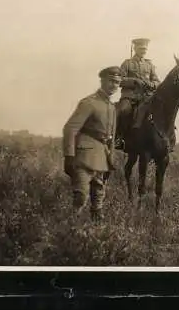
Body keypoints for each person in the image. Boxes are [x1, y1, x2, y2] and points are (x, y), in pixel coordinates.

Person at [62, 66, 122, 222]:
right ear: (102, 81)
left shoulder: (112, 107)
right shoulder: (89, 102)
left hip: (102, 158)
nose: (114, 85)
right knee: (81, 195)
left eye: (117, 82)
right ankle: (70, 229)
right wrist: (69, 156)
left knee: (98, 198)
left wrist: (111, 160)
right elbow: (70, 129)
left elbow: (111, 137)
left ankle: (96, 232)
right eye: (111, 81)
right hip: (83, 157)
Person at [114, 38, 161, 150]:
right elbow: (119, 80)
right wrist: (134, 81)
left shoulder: (149, 65)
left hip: (146, 97)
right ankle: (119, 138)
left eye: (145, 49)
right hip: (130, 96)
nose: (143, 51)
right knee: (124, 111)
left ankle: (164, 137)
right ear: (135, 48)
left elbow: (157, 81)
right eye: (141, 48)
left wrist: (152, 84)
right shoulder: (127, 63)